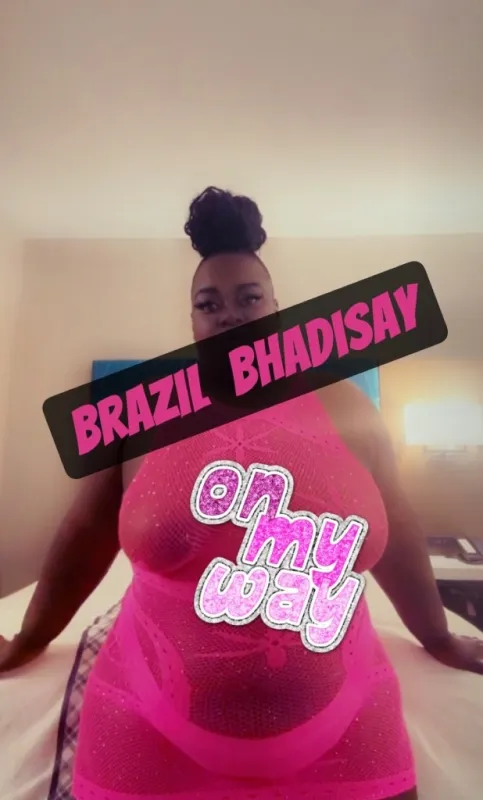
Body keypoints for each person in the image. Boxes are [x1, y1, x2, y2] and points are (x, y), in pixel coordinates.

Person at [1, 187, 482, 800]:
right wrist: (29, 640)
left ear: (277, 308)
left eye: (248, 297)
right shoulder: (142, 412)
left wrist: (437, 635)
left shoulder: (348, 407)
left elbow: (398, 530)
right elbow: (84, 537)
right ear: (193, 322)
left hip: (347, 727)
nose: (229, 314)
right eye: (209, 303)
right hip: (144, 729)